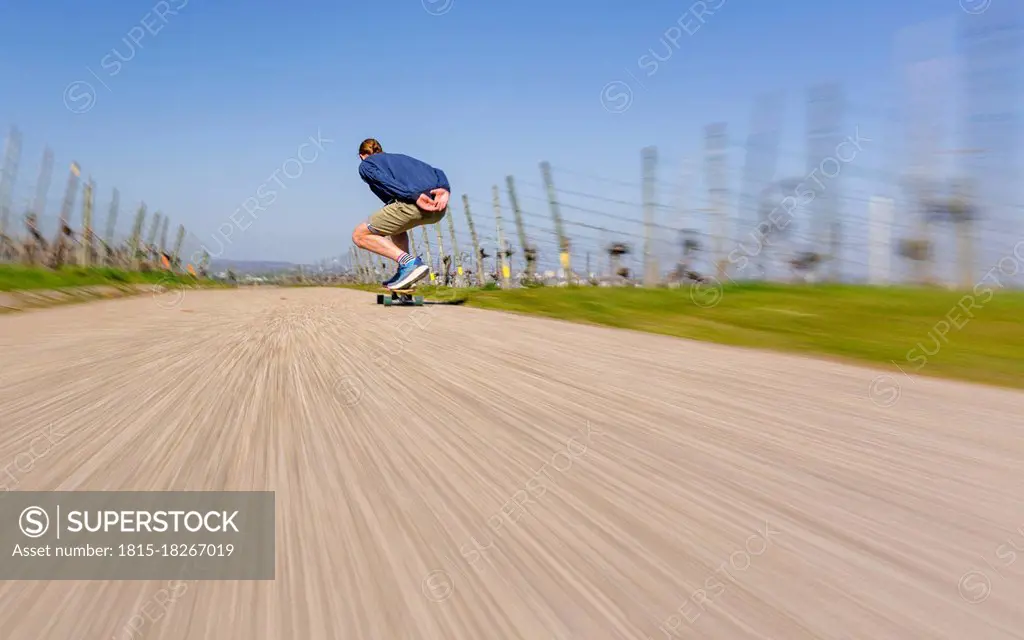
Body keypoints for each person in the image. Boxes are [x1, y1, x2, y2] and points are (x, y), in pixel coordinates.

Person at [351, 138, 451, 290]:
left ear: (361, 155)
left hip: (415, 203)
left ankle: (409, 263)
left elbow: (384, 181)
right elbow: (438, 171)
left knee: (360, 235)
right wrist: (445, 188)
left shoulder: (366, 164)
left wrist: (413, 196)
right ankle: (405, 272)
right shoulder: (401, 159)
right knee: (396, 229)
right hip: (438, 208)